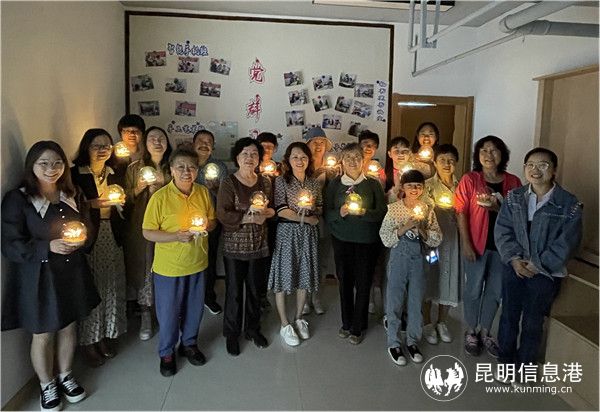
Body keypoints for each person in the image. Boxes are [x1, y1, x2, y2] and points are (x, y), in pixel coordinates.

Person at [1, 141, 100, 411]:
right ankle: (47, 384)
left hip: (71, 270)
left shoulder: (70, 192)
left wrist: (83, 239)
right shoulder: (19, 199)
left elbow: (86, 224)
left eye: (57, 163)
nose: (51, 168)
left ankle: (66, 374)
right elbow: (10, 244)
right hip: (40, 275)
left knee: (68, 325)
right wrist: (47, 247)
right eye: (43, 163)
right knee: (42, 331)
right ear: (31, 165)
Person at [494, 148, 582, 382]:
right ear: (524, 168)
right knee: (509, 316)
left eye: (543, 165)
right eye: (530, 165)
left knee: (533, 321)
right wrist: (514, 259)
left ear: (554, 170)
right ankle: (505, 363)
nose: (535, 170)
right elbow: (503, 231)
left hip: (545, 273)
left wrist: (538, 264)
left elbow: (568, 242)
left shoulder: (569, 203)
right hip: (514, 266)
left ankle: (525, 367)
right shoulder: (514, 197)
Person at [142, 146, 216, 376]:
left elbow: (212, 221)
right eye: (181, 167)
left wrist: (204, 226)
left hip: (198, 263)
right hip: (169, 268)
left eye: (192, 167)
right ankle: (166, 352)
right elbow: (147, 232)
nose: (186, 171)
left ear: (198, 171)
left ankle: (189, 344)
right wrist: (176, 236)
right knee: (169, 313)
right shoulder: (160, 197)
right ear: (171, 169)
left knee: (194, 309)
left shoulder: (203, 192)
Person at [454, 135, 521, 357]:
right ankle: (471, 330)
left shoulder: (513, 182)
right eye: (484, 150)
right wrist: (466, 243)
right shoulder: (470, 179)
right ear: (478, 155)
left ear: (502, 155)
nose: (488, 155)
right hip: (476, 244)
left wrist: (497, 209)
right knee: (473, 289)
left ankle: (485, 331)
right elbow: (461, 212)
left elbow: (518, 216)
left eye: (493, 150)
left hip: (504, 248)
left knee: (495, 291)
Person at [71, 128, 128, 367]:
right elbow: (68, 204)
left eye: (107, 145)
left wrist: (122, 201)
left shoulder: (115, 172)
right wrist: (91, 204)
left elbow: (124, 200)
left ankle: (105, 335)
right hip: (90, 235)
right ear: (87, 147)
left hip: (112, 232)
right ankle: (89, 341)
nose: (103, 149)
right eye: (97, 145)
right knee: (93, 288)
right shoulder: (76, 174)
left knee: (112, 286)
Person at [217, 137, 275, 356]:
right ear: (237, 157)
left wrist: (267, 213)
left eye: (254, 154)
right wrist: (248, 218)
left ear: (259, 158)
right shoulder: (229, 182)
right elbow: (223, 213)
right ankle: (232, 334)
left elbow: (271, 209)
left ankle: (252, 329)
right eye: (245, 153)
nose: (249, 157)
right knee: (233, 291)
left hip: (259, 244)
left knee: (255, 290)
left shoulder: (265, 182)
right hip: (235, 246)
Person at [325, 143, 386, 344]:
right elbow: (327, 213)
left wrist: (364, 213)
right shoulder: (334, 184)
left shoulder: (373, 184)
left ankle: (358, 326)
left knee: (363, 283)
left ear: (363, 160)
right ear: (342, 161)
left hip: (366, 241)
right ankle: (346, 322)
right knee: (344, 282)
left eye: (357, 157)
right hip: (341, 240)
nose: (352, 161)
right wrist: (340, 213)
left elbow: (381, 213)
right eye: (348, 157)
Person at [379, 170, 442, 365]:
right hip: (399, 258)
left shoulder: (427, 210)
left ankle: (413, 340)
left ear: (423, 188)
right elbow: (385, 236)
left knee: (416, 300)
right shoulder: (394, 209)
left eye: (418, 186)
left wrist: (422, 231)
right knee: (395, 299)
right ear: (403, 188)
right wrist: (404, 228)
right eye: (410, 185)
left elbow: (437, 237)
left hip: (419, 260)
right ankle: (394, 341)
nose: (414, 189)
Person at [268, 142, 322, 347]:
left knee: (304, 274)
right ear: (288, 160)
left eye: (304, 157)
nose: (300, 161)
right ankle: (285, 324)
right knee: (284, 275)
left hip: (308, 234)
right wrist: (306, 218)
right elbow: (281, 210)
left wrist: (312, 210)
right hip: (287, 232)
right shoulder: (281, 181)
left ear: (309, 160)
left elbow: (320, 207)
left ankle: (299, 318)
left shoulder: (314, 183)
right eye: (295, 157)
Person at [124, 126, 173, 340]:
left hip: (169, 223)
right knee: (144, 264)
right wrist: (140, 188)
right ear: (145, 143)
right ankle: (145, 312)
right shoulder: (135, 168)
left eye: (161, 138)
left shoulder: (173, 166)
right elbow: (124, 198)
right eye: (152, 138)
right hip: (142, 222)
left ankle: (166, 311)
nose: (157, 142)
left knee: (168, 264)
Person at [422, 144, 461, 345]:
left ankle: (442, 321)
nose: (447, 164)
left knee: (450, 276)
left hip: (453, 242)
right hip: (432, 243)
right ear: (435, 162)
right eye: (442, 160)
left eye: (451, 160)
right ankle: (427, 322)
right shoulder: (427, 185)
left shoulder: (461, 186)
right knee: (431, 274)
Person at [193, 129, 229, 315]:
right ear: (193, 143)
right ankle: (189, 297)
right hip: (186, 220)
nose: (204, 144)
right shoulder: (186, 164)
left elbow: (226, 197)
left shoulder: (219, 167)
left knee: (209, 258)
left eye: (208, 142)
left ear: (213, 147)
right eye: (200, 140)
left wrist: (215, 189)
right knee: (188, 257)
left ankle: (208, 296)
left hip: (212, 221)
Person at [256, 131, 281, 311]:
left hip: (274, 220)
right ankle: (255, 294)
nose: (266, 149)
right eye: (263, 146)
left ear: (275, 149)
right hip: (254, 220)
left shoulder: (280, 168)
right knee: (256, 258)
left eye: (270, 147)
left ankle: (264, 294)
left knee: (269, 256)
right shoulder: (251, 166)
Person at [385, 136, 429, 204]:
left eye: (405, 151)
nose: (401, 154)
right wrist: (395, 189)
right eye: (397, 151)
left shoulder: (416, 172)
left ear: (409, 153)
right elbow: (382, 199)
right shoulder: (383, 173)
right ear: (390, 154)